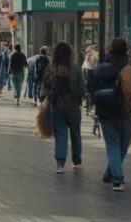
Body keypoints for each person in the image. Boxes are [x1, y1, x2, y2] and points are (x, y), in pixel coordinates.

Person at [90, 38, 131, 192]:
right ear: (126, 50)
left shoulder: (102, 67)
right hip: (126, 111)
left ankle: (110, 174)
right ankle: (117, 179)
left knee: (112, 145)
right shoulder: (130, 68)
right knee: (122, 147)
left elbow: (91, 86)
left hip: (105, 112)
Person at [42, 42, 84, 173]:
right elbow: (82, 88)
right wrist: (77, 98)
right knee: (75, 132)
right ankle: (76, 160)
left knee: (60, 133)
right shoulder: (75, 69)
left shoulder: (50, 69)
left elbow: (45, 87)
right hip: (73, 105)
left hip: (56, 105)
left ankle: (60, 163)